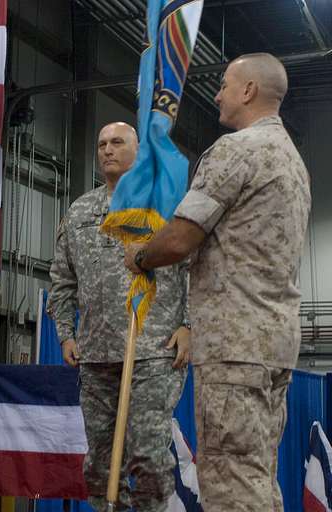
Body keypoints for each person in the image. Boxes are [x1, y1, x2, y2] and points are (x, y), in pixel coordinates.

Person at [124, 53, 311, 511]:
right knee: (256, 475)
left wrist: (141, 256)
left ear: (248, 91)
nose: (217, 94)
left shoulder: (237, 150)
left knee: (229, 481)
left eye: (225, 85)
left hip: (234, 343)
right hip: (274, 341)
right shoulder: (293, 161)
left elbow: (182, 238)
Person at [49, 121, 190, 512]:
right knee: (98, 464)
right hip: (96, 354)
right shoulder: (80, 211)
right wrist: (66, 334)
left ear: (138, 150)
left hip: (154, 349)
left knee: (147, 457)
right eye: (101, 144)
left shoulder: (166, 206)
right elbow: (62, 279)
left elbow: (197, 269)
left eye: (117, 142)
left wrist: (189, 325)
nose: (107, 150)